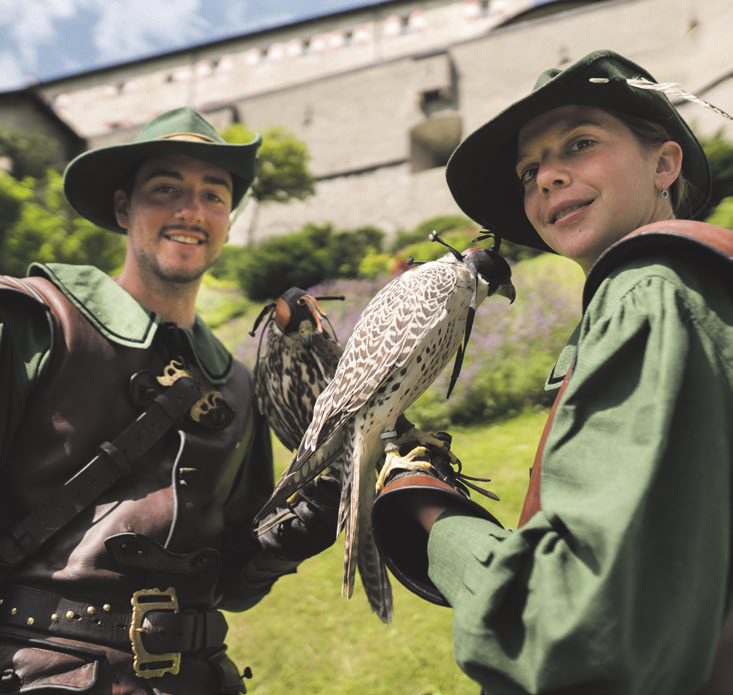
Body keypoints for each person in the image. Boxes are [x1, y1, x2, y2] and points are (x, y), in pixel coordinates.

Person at [372, 49, 733, 694]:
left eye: (581, 143)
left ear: (664, 164)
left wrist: (428, 513)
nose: (546, 178)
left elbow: (578, 630)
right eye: (528, 171)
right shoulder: (696, 285)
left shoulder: (647, 293)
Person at [0, 107, 339, 694]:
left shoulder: (240, 384)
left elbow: (233, 585)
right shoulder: (33, 321)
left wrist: (291, 537)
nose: (191, 210)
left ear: (229, 222)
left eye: (214, 194)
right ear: (122, 207)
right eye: (166, 189)